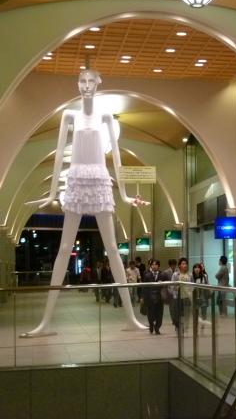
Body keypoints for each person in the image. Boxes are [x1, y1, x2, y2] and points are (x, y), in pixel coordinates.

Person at [21, 69, 149, 337]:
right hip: (77, 180)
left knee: (112, 248)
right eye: (82, 81)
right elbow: (59, 156)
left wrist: (125, 194)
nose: (87, 85)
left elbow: (116, 156)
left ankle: (131, 318)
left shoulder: (105, 116)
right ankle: (45, 322)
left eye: (91, 81)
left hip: (100, 180)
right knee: (64, 248)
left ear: (98, 83)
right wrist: (52, 192)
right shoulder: (69, 115)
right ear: (77, 84)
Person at [141, 259, 165, 335]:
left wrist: (163, 283)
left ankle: (157, 327)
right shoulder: (147, 275)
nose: (154, 266)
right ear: (151, 266)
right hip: (150, 297)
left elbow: (168, 284)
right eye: (152, 265)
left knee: (159, 314)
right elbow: (144, 287)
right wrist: (143, 297)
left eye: (156, 264)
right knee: (150, 314)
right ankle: (151, 324)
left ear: (158, 266)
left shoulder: (162, 275)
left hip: (159, 297)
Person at [171, 257, 193, 333]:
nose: (185, 265)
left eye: (186, 264)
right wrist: (176, 289)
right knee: (177, 313)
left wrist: (190, 292)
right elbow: (172, 285)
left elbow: (192, 286)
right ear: (179, 265)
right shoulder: (175, 274)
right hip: (177, 296)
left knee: (185, 313)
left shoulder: (190, 275)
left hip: (187, 296)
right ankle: (177, 326)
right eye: (183, 264)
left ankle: (182, 327)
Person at [163, 259, 178, 329]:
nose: (173, 266)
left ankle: (177, 320)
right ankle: (174, 320)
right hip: (170, 292)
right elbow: (165, 283)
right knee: (171, 308)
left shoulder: (178, 271)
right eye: (172, 265)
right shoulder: (166, 272)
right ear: (170, 265)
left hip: (177, 292)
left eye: (174, 265)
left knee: (176, 307)